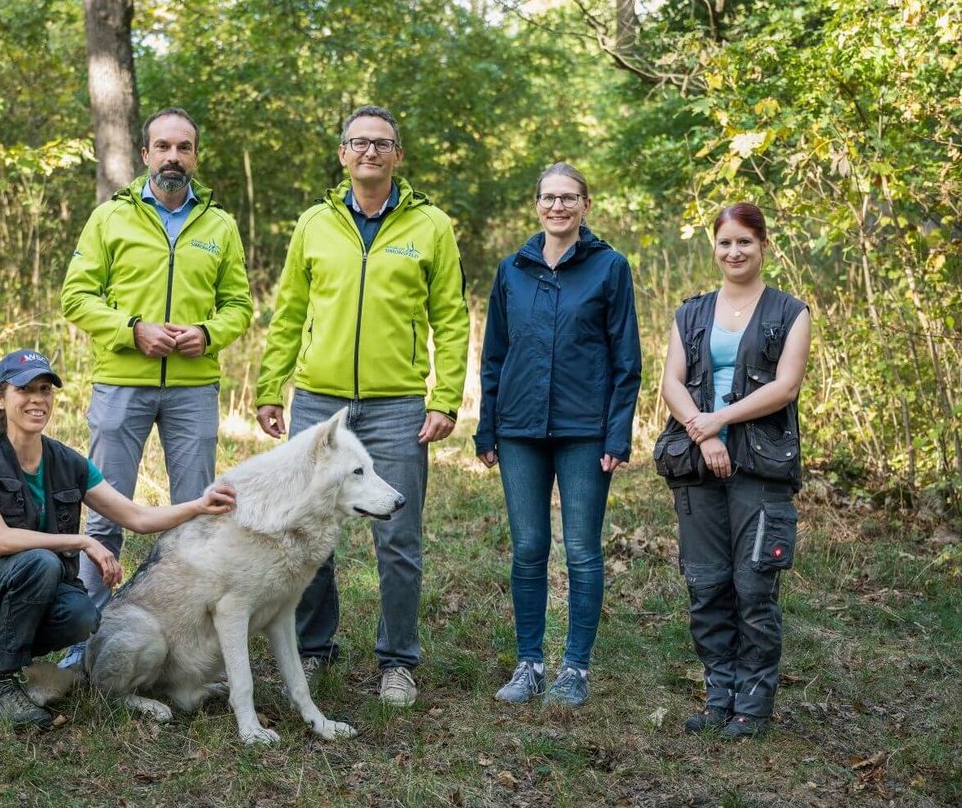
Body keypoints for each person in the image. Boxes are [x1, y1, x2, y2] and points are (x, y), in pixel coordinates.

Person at [254, 105, 470, 707]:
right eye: (358, 143)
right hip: (319, 401)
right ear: (343, 155)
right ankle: (315, 648)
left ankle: (398, 661)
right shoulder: (314, 224)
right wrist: (272, 387)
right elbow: (289, 312)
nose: (370, 152)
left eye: (382, 143)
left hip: (397, 404)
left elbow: (450, 319)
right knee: (310, 530)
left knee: (397, 537)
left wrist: (446, 397)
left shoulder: (431, 226)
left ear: (398, 156)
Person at [0, 349, 236, 727]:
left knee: (81, 616)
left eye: (45, 389)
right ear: (0, 397)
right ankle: (0, 684)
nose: (37, 399)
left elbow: (137, 517)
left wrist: (199, 504)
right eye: (24, 389)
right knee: (41, 561)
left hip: (16, 586)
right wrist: (81, 541)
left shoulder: (67, 462)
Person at [60, 107, 253, 668]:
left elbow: (239, 305)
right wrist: (131, 330)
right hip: (122, 383)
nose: (173, 157)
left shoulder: (219, 225)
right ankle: (85, 639)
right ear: (144, 155)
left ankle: (188, 643)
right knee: (103, 513)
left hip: (193, 390)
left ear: (196, 156)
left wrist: (209, 333)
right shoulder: (110, 218)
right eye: (162, 147)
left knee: (199, 517)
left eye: (184, 147)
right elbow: (77, 296)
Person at [475, 163, 642, 708]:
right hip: (520, 427)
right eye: (549, 198)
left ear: (586, 205)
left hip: (584, 431)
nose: (558, 207)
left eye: (569, 198)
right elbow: (494, 355)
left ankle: (575, 668)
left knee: (582, 551)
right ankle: (529, 664)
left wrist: (618, 435)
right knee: (528, 548)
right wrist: (487, 426)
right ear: (537, 204)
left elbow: (627, 361)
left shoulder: (610, 268)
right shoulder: (512, 269)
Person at [655, 202, 811, 739]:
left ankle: (754, 703)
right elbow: (671, 382)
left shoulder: (790, 312)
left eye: (745, 241)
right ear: (714, 248)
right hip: (696, 464)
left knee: (754, 587)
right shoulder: (691, 313)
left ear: (763, 245)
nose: (734, 251)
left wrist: (717, 422)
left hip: (760, 467)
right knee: (706, 585)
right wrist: (703, 431)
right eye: (725, 243)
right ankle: (718, 694)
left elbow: (784, 387)